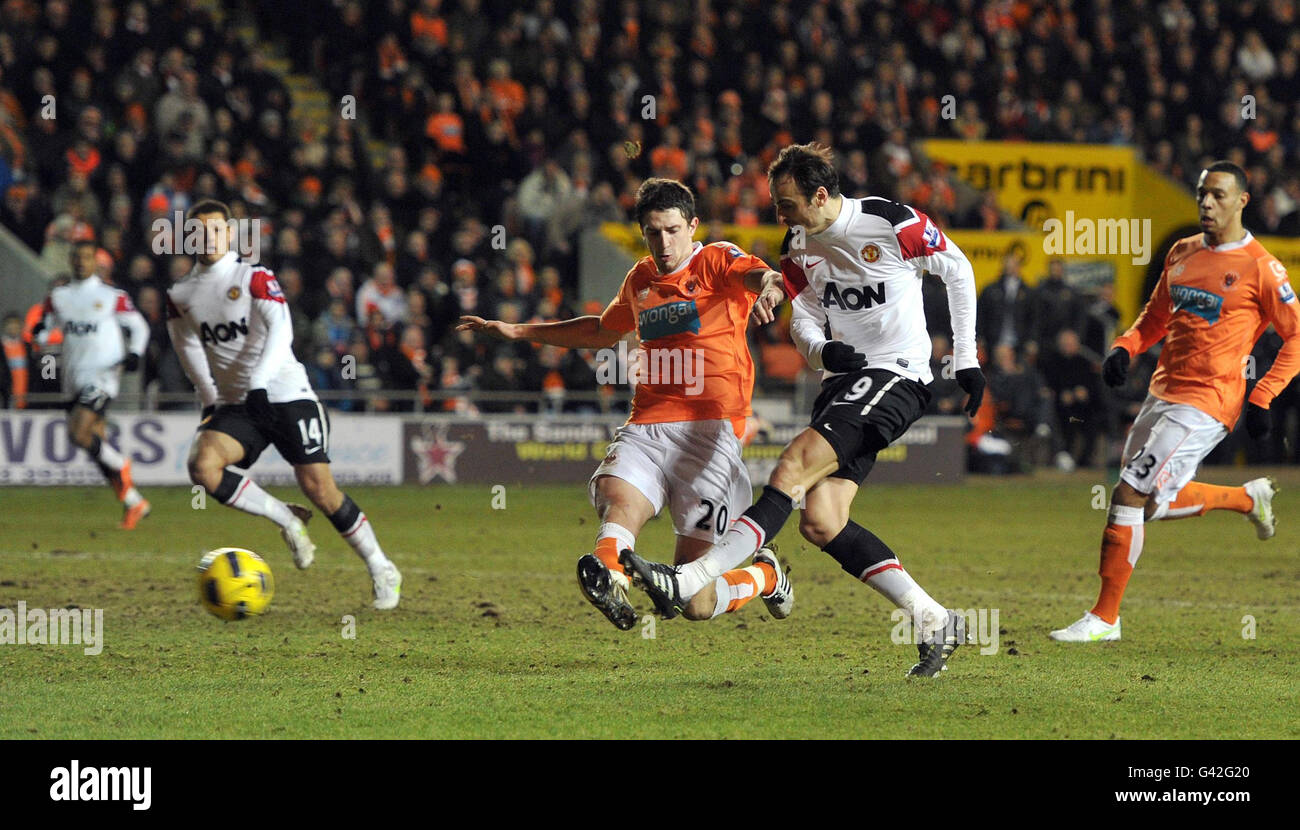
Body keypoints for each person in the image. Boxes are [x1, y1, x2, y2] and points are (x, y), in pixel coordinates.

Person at [621, 144, 984, 677]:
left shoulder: (890, 222)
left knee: (789, 469)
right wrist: (820, 350)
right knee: (821, 521)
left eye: (786, 204)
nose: (779, 215)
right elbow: (804, 315)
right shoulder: (799, 244)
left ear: (820, 196)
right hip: (844, 382)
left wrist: (967, 357)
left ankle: (688, 579)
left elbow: (957, 268)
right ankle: (936, 620)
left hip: (897, 374)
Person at [457, 177, 787, 630]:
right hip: (648, 422)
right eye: (653, 232)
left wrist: (771, 287)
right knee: (618, 496)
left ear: (693, 226)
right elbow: (601, 330)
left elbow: (762, 275)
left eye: (672, 230)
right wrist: (519, 331)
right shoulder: (640, 279)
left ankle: (765, 576)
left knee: (694, 602)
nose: (664, 242)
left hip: (710, 434)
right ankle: (611, 576)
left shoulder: (715, 260)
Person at [1051, 161, 1298, 642]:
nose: (1207, 203)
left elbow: (1294, 337)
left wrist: (1264, 395)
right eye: (1203, 193)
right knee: (1146, 504)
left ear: (1242, 201)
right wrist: (1126, 346)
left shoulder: (1262, 268)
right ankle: (1248, 498)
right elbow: (1156, 315)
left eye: (1219, 195)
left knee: (1128, 492)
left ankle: (1105, 619)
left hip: (1208, 401)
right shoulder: (1182, 252)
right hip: (1163, 391)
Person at [166, 200, 402, 609]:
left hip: (287, 394)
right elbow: (187, 346)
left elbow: (282, 329)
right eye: (199, 231)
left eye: (216, 230)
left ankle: (382, 567)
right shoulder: (181, 294)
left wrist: (259, 383)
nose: (208, 238)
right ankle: (286, 519)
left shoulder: (253, 275)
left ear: (230, 234)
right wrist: (210, 398)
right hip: (238, 404)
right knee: (203, 467)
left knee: (321, 490)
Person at [33, 240, 150, 528]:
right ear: (71, 260)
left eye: (87, 257)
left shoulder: (111, 295)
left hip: (103, 375)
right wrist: (40, 332)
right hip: (72, 377)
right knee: (94, 444)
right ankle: (134, 501)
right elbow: (44, 328)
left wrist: (134, 352)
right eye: (77, 257)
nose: (81, 262)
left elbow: (139, 326)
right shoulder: (58, 296)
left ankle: (122, 464)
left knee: (78, 433)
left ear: (96, 262)